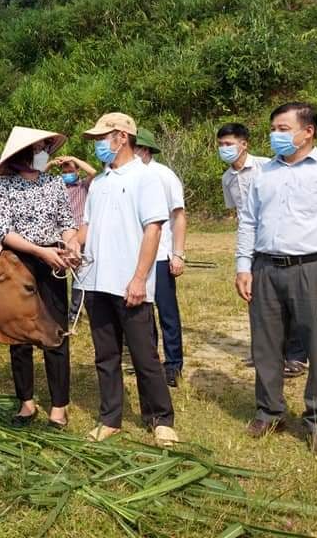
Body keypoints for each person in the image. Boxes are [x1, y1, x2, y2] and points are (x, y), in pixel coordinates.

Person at [235, 102, 317, 458]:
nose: (275, 135)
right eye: (273, 128)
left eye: (283, 129)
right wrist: (244, 265)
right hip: (265, 268)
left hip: (314, 268)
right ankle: (269, 412)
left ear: (308, 132)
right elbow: (248, 222)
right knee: (265, 345)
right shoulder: (263, 175)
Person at [73, 113, 178, 448]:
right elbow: (87, 225)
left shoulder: (145, 178)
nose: (98, 146)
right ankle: (110, 418)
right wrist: (75, 242)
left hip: (129, 283)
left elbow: (154, 229)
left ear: (121, 136)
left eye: (102, 139)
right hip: (95, 282)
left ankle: (161, 418)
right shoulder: (99, 182)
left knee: (144, 355)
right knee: (105, 356)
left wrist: (139, 278)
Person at [0, 126, 79, 429]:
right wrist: (40, 252)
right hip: (20, 260)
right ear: (25, 155)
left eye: (45, 147)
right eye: (40, 149)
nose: (45, 154)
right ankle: (26, 402)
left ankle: (58, 406)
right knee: (20, 333)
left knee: (55, 329)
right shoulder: (4, 187)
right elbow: (3, 230)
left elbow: (67, 222)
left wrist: (71, 244)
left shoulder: (55, 184)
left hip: (54, 259)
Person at [218, 122, 308, 377]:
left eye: (229, 144)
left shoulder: (265, 168)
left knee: (289, 301)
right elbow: (238, 214)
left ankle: (296, 356)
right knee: (257, 300)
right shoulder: (227, 178)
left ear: (244, 144)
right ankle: (265, 352)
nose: (224, 149)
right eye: (221, 145)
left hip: (278, 240)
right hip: (253, 244)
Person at [134, 128, 187, 388]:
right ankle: (149, 360)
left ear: (143, 150)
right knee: (141, 312)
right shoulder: (128, 177)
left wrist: (178, 253)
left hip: (162, 254)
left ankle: (173, 364)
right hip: (135, 255)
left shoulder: (163, 175)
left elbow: (178, 216)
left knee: (166, 313)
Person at [48, 155, 97, 227]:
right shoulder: (58, 186)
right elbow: (38, 177)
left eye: (70, 171)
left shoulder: (83, 184)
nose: (67, 174)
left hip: (81, 226)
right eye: (65, 172)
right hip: (64, 228)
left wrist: (73, 158)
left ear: (78, 171)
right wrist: (50, 164)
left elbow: (93, 172)